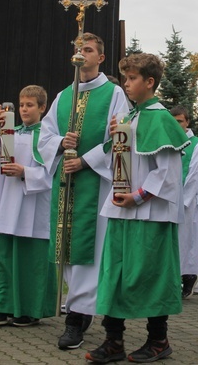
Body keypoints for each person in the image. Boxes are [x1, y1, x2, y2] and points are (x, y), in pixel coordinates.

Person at [86, 53, 189, 363]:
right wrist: (117, 135)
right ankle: (113, 340)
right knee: (114, 274)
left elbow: (169, 174)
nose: (127, 84)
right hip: (121, 211)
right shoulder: (128, 118)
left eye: (131, 79)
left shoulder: (161, 119)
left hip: (150, 214)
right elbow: (114, 161)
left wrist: (138, 196)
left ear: (150, 82)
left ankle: (159, 339)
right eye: (126, 78)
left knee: (149, 275)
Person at [38, 33, 129, 350]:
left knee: (90, 255)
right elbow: (45, 136)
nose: (82, 54)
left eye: (88, 50)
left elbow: (121, 136)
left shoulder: (114, 93)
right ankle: (80, 308)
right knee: (67, 252)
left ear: (100, 58)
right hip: (65, 185)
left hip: (96, 185)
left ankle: (76, 318)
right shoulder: (63, 96)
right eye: (78, 49)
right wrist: (61, 144)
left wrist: (87, 161)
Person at [0, 86, 57, 328]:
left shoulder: (49, 137)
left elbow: (53, 174)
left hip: (32, 205)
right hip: (5, 203)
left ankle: (29, 310)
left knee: (31, 260)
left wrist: (24, 172)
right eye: (21, 106)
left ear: (42, 108)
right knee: (1, 256)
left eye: (30, 105)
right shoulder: (10, 132)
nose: (24, 110)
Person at [170, 106, 198, 299]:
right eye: (173, 121)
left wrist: (184, 201)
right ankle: (179, 278)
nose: (176, 125)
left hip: (186, 203)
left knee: (186, 240)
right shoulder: (169, 141)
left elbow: (194, 175)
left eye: (180, 121)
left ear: (187, 122)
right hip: (168, 200)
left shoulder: (195, 145)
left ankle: (187, 277)